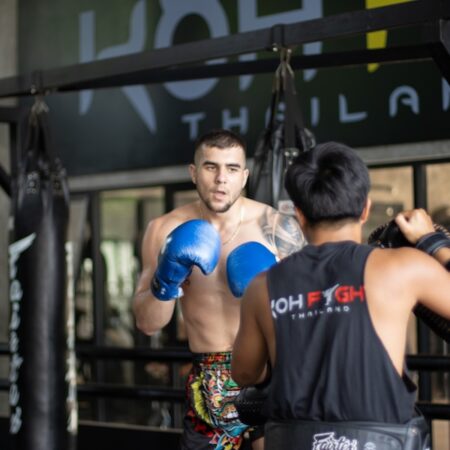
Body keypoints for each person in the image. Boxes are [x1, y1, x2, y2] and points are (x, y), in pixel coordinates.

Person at [231, 141, 450, 450]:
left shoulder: (262, 286)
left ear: (299, 215)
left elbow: (244, 373)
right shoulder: (401, 267)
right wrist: (431, 241)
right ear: (365, 208)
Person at [133, 128, 306, 450]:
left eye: (232, 168)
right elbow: (147, 323)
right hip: (209, 385)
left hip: (274, 373)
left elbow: (310, 314)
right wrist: (166, 280)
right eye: (211, 167)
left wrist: (274, 291)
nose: (221, 179)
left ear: (245, 176)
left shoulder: (277, 229)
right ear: (194, 172)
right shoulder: (163, 230)